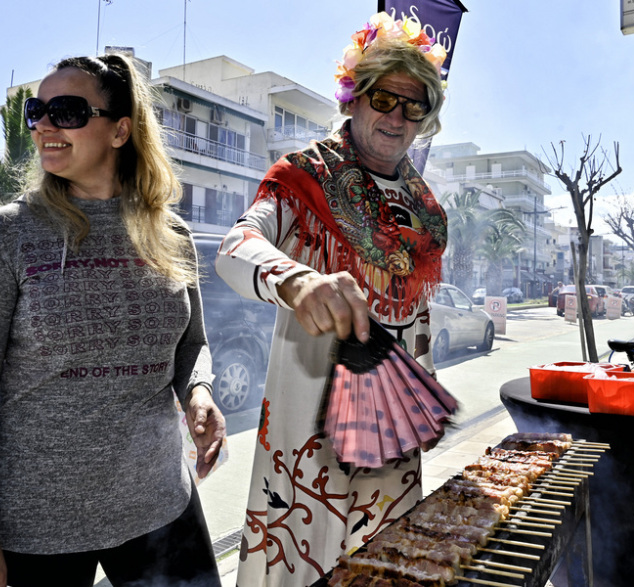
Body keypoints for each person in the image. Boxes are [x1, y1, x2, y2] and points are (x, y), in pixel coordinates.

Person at [0, 54, 226, 587]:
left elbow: (191, 345)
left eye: (67, 110)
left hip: (163, 505)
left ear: (120, 130)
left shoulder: (172, 233)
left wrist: (200, 390)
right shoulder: (5, 236)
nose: (44, 124)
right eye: (37, 110)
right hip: (37, 527)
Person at [215, 12, 447, 586]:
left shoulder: (428, 210)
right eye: (383, 98)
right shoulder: (301, 176)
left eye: (413, 106)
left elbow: (417, 322)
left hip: (392, 440)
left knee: (387, 571)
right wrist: (295, 280)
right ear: (353, 97)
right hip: (307, 436)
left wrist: (422, 400)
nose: (396, 116)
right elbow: (234, 245)